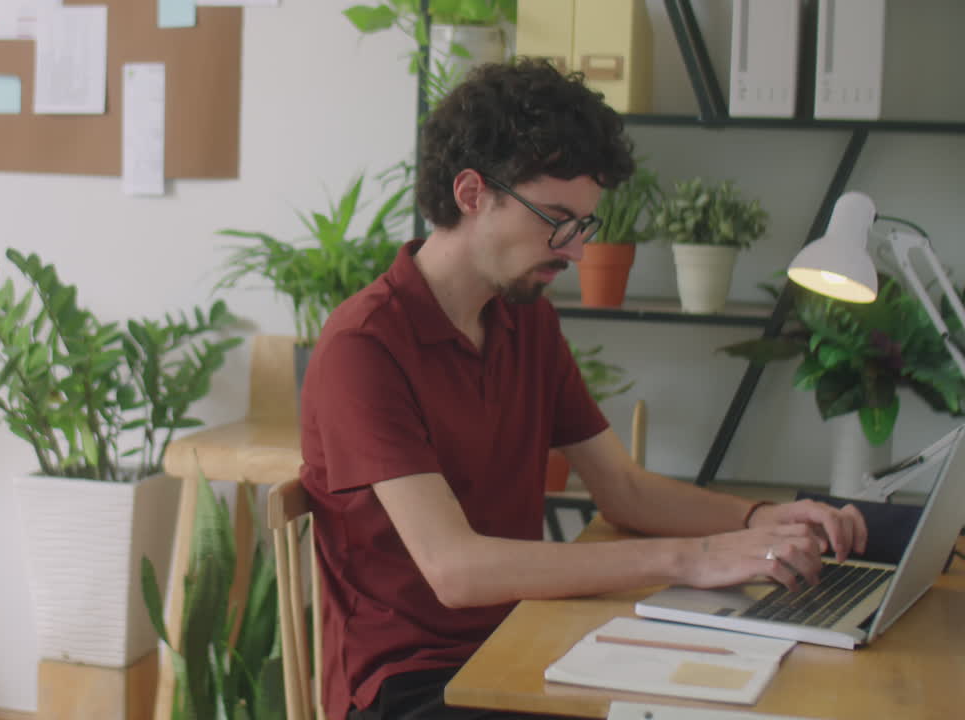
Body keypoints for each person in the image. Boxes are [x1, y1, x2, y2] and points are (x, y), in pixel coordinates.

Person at [297, 59, 869, 720]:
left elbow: (621, 490)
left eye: (584, 227)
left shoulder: (522, 318)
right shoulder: (365, 347)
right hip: (414, 689)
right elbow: (455, 571)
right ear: (471, 192)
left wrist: (758, 519)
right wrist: (694, 558)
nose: (573, 252)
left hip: (528, 639)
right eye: (556, 220)